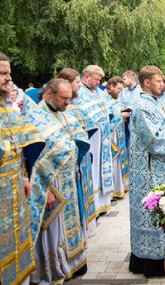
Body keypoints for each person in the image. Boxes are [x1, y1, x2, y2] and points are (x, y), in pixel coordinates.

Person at [0, 51, 47, 285]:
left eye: (9, 73)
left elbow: (17, 146)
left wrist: (24, 177)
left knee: (17, 249)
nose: (9, 78)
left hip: (14, 191)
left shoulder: (4, 105)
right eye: (2, 73)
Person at [26, 79, 89, 283]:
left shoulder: (63, 112)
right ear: (48, 94)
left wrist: (77, 166)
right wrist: (48, 190)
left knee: (69, 226)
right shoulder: (36, 118)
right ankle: (54, 268)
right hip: (51, 184)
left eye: (69, 98)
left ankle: (73, 262)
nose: (67, 102)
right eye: (63, 98)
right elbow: (34, 159)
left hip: (69, 179)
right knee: (54, 231)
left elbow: (74, 140)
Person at [128, 66, 165, 277]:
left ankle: (161, 257)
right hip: (149, 172)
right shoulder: (142, 106)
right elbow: (153, 139)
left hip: (158, 169)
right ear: (147, 82)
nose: (163, 84)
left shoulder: (152, 103)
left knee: (160, 213)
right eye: (159, 81)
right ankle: (150, 261)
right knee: (152, 213)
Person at [56, 68, 98, 236]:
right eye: (77, 82)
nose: (80, 85)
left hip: (80, 157)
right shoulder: (63, 106)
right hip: (68, 163)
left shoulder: (74, 103)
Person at [77, 65, 120, 214]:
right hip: (92, 139)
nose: (98, 82)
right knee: (93, 170)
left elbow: (107, 111)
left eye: (99, 79)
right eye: (96, 79)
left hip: (103, 138)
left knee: (101, 169)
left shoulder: (96, 92)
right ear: (86, 77)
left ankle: (102, 203)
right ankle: (94, 205)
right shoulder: (79, 93)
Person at [106, 75, 129, 191]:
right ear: (111, 86)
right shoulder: (104, 100)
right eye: (118, 89)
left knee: (120, 159)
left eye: (121, 89)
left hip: (119, 134)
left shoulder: (116, 100)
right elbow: (106, 119)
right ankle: (115, 189)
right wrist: (121, 115)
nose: (120, 92)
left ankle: (121, 186)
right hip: (111, 136)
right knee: (114, 160)